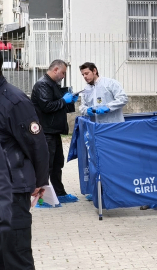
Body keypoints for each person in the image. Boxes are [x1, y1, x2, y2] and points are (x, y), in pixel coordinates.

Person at [0, 52, 49, 269]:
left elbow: (37, 145)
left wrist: (40, 181)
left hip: (10, 194)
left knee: (14, 258)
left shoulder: (14, 101)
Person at [31, 59, 79, 203]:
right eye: (63, 72)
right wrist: (64, 101)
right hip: (46, 131)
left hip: (53, 130)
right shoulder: (42, 84)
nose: (64, 75)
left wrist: (70, 102)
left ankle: (59, 193)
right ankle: (43, 199)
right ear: (55, 70)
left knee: (57, 163)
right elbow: (47, 106)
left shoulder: (52, 85)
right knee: (47, 165)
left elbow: (59, 105)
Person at [79, 62, 128, 201]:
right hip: (96, 130)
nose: (85, 77)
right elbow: (82, 106)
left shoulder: (110, 83)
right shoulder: (86, 89)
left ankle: (118, 190)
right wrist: (85, 110)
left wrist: (107, 107)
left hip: (113, 129)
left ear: (95, 71)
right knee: (97, 161)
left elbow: (123, 98)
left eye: (87, 73)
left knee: (115, 160)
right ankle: (98, 189)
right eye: (83, 75)